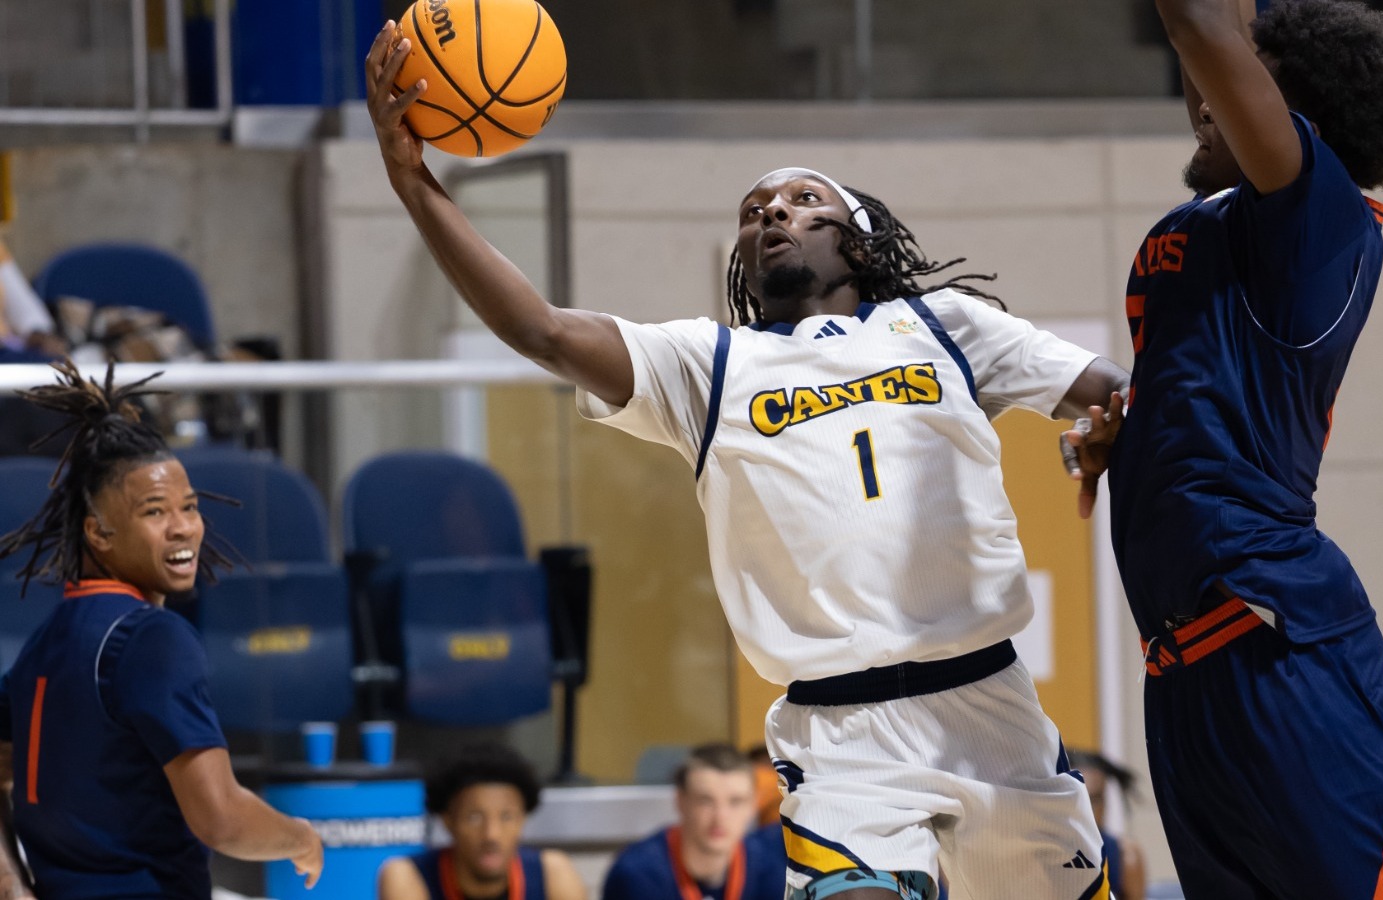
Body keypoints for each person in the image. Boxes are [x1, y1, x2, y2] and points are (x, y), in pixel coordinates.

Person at [366, 20, 1127, 898]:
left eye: (804, 202)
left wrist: (1111, 420)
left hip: (991, 703)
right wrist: (411, 181)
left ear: (861, 238)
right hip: (842, 731)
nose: (772, 212)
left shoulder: (945, 325)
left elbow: (1111, 387)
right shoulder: (708, 364)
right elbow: (540, 329)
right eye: (754, 211)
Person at [1071, 0, 1383, 897]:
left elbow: (1201, 25)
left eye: (1236, 83)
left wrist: (1222, 37)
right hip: (1181, 668)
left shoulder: (1320, 218)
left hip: (1275, 636)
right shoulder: (1190, 234)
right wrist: (1130, 430)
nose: (1202, 99)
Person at [0, 361, 323, 898]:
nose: (183, 527)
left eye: (189, 507)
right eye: (154, 511)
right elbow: (220, 819)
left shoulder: (43, 641)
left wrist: (12, 887)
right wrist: (298, 838)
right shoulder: (153, 639)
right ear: (97, 533)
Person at [378, 742, 585, 900]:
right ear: (448, 821)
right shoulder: (406, 875)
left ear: (523, 819)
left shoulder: (552, 872)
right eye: (474, 818)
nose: (491, 835)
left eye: (506, 817)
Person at [602, 743, 785, 900]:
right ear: (681, 801)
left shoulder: (773, 868)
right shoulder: (637, 875)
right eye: (705, 801)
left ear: (753, 805)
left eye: (735, 802)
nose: (720, 817)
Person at [1068, 749, 1147, 900]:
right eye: (1080, 799)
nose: (1089, 810)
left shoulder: (1126, 856)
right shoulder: (1036, 849)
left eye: (1096, 799)